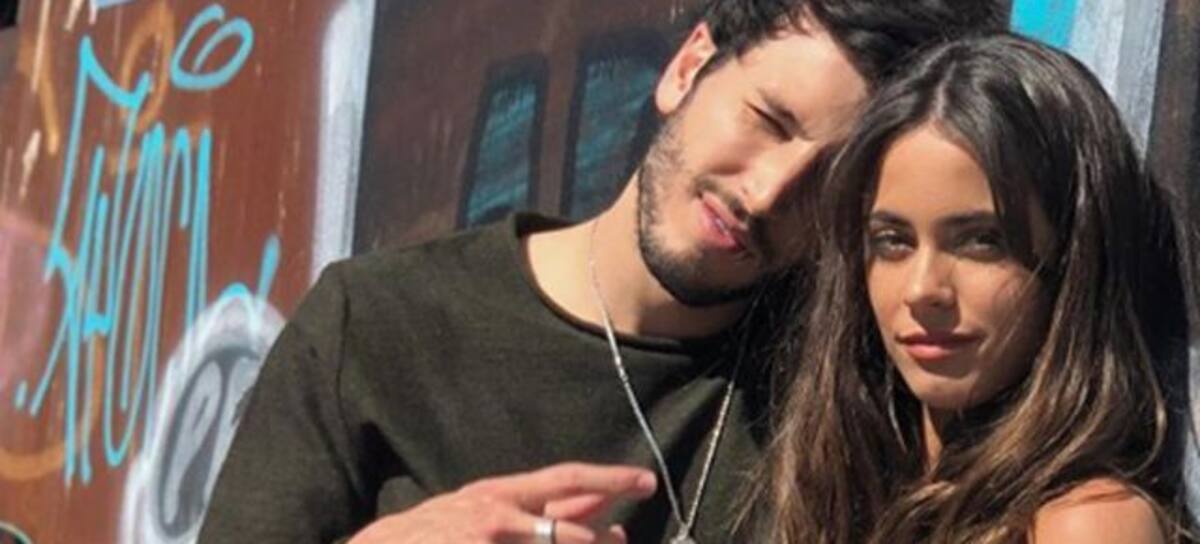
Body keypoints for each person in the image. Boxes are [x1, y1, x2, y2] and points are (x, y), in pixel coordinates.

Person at [197, 2, 1006, 543]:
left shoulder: (852, 392)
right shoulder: (377, 324)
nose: (765, 193)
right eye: (768, 120)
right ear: (688, 68)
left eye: (829, 184)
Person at [761, 32, 1193, 543]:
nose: (923, 289)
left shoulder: (1086, 520)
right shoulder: (851, 483)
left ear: (1074, 261)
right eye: (893, 241)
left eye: (982, 242)